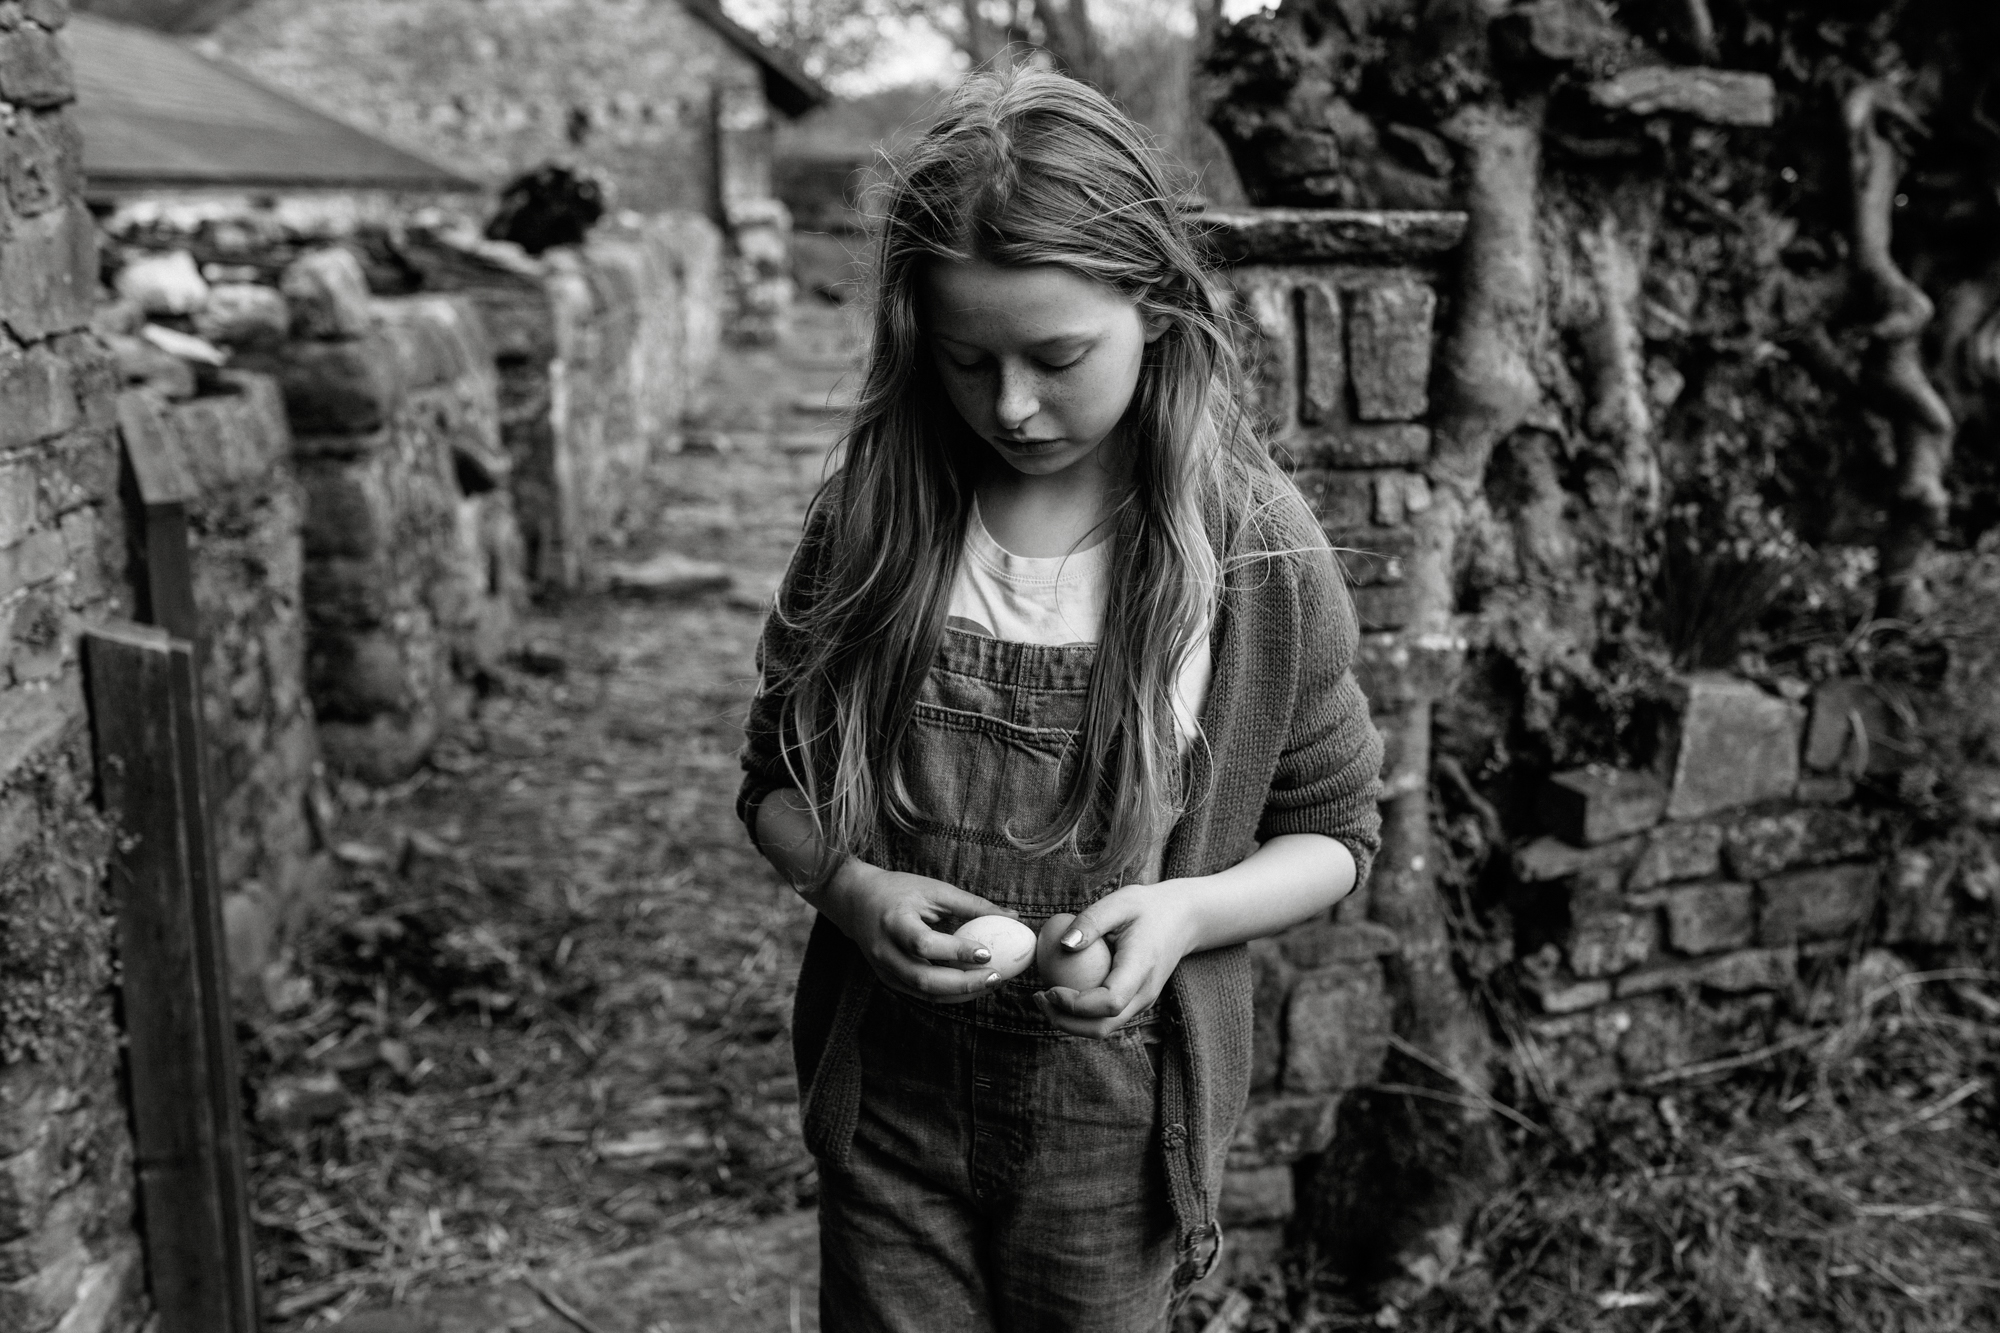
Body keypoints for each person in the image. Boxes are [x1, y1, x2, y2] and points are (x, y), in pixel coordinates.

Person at [738, 67, 1383, 1333]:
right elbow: (774, 783)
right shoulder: (875, 525)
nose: (1012, 405)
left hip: (1113, 1130)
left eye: (1057, 356)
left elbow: (1336, 832)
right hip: (892, 1112)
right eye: (968, 361)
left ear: (1156, 304)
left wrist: (1190, 910)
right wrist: (850, 890)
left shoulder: (1245, 553)